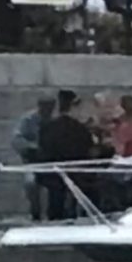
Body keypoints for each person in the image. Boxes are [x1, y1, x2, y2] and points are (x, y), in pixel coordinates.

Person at [34, 90, 97, 221]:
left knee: (55, 196)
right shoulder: (80, 129)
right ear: (73, 107)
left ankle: (55, 218)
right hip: (76, 172)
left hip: (52, 173)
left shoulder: (48, 127)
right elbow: (87, 149)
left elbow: (42, 148)